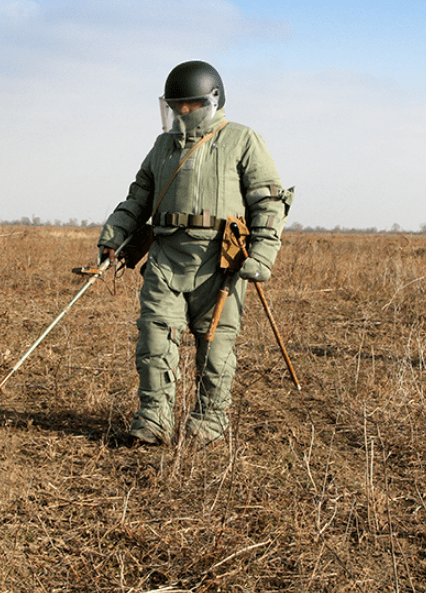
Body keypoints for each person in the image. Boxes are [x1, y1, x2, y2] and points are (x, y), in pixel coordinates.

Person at [97, 61, 291, 445]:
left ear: (213, 101)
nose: (182, 113)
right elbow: (138, 197)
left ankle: (208, 425)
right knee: (154, 341)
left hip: (221, 263)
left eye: (191, 106)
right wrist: (114, 234)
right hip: (166, 257)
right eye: (176, 107)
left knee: (215, 346)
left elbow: (268, 201)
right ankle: (152, 422)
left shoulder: (243, 140)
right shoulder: (161, 146)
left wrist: (263, 253)